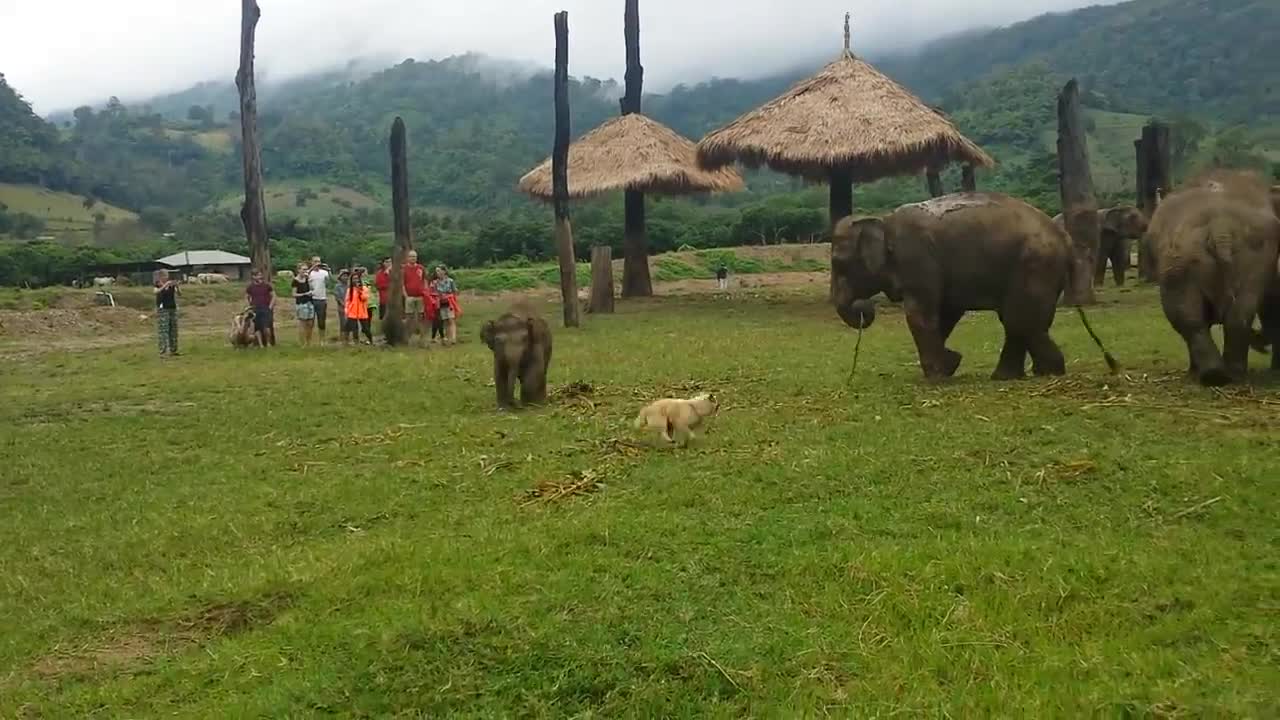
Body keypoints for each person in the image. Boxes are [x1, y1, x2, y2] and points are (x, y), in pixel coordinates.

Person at [245, 269, 276, 347]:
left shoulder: (267, 285)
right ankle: (260, 344)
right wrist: (249, 306)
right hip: (255, 308)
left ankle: (269, 342)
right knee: (257, 327)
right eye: (258, 275)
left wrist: (270, 307)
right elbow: (247, 297)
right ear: (253, 276)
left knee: (267, 326)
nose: (260, 277)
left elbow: (273, 296)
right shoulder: (250, 287)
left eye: (260, 275)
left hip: (265, 308)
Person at [402, 251, 428, 346]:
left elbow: (425, 280)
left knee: (421, 318)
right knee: (409, 318)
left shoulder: (421, 268)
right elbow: (402, 284)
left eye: (415, 256)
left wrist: (425, 291)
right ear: (408, 258)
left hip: (420, 296)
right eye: (411, 256)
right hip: (410, 297)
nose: (413, 258)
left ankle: (422, 340)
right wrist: (406, 296)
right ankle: (407, 339)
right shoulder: (404, 269)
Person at [153, 269, 180, 357]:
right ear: (161, 277)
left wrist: (177, 286)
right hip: (163, 309)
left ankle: (173, 350)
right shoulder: (157, 284)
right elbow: (155, 292)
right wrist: (165, 286)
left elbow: (179, 294)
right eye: (164, 275)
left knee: (173, 330)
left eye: (167, 275)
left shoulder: (171, 285)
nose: (166, 277)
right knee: (163, 331)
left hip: (172, 308)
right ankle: (163, 351)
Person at [432, 265, 461, 346]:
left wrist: (451, 297)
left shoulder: (450, 281)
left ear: (444, 271)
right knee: (444, 321)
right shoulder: (435, 283)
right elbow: (433, 293)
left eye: (439, 270)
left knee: (451, 319)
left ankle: (453, 338)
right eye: (436, 271)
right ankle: (447, 338)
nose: (437, 273)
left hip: (449, 302)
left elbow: (455, 291)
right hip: (440, 303)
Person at [344, 267, 374, 345]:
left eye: (357, 278)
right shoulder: (349, 290)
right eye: (354, 279)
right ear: (351, 280)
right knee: (354, 328)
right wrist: (347, 311)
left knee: (366, 328)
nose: (355, 280)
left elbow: (365, 298)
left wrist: (360, 290)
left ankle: (371, 341)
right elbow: (347, 301)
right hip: (352, 311)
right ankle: (356, 342)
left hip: (362, 311)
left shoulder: (364, 288)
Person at [307, 257, 331, 344]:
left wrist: (328, 270)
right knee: (310, 321)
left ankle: (322, 340)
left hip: (321, 299)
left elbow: (329, 283)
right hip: (311, 299)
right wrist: (311, 269)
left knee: (321, 321)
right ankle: (308, 340)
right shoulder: (309, 273)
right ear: (312, 262)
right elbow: (304, 278)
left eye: (318, 261)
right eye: (315, 261)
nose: (317, 263)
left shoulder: (324, 273)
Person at [292, 263, 316, 346]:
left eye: (306, 269)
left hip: (310, 303)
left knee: (310, 323)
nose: (305, 271)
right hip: (301, 304)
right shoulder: (295, 281)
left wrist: (309, 281)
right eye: (303, 269)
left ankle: (308, 341)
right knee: (303, 323)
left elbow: (312, 289)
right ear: (299, 270)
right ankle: (302, 343)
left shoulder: (307, 279)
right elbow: (294, 294)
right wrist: (304, 294)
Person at [334, 269, 351, 344]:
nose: (345, 277)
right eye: (344, 276)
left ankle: (347, 339)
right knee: (343, 323)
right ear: (340, 277)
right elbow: (337, 297)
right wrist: (343, 304)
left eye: (347, 276)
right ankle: (343, 339)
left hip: (350, 306)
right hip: (342, 307)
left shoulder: (350, 286)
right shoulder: (338, 286)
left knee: (349, 323)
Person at [374, 257, 392, 322]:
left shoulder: (395, 272)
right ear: (383, 263)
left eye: (390, 262)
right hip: (384, 299)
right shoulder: (380, 273)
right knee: (384, 318)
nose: (389, 264)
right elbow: (379, 285)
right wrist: (387, 275)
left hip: (395, 300)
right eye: (387, 262)